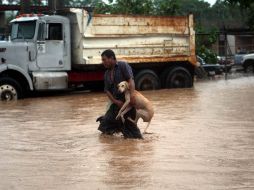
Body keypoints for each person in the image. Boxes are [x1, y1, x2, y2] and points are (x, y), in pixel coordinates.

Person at [97, 49, 143, 139]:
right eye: (102, 60)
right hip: (116, 104)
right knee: (104, 127)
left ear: (111, 58)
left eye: (104, 59)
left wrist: (132, 95)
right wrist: (115, 101)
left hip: (127, 103)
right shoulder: (106, 74)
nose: (103, 62)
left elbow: (131, 80)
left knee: (134, 136)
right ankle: (114, 125)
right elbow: (107, 90)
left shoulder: (122, 65)